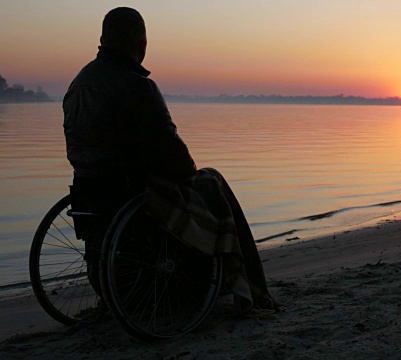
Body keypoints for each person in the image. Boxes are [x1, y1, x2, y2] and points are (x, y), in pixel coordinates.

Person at [63, 7, 275, 310]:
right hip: (133, 191)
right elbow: (172, 150)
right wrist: (186, 170)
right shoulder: (138, 86)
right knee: (211, 181)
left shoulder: (78, 84)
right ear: (141, 45)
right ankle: (247, 283)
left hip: (90, 190)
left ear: (102, 39)